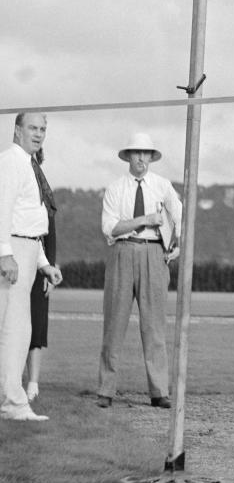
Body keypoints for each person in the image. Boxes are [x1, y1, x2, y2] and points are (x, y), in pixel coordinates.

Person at [96, 133, 182, 409]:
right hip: (122, 253)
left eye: (146, 153)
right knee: (114, 324)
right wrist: (144, 219)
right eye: (136, 153)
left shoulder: (163, 186)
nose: (141, 158)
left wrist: (177, 244)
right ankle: (106, 390)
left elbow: (180, 219)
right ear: (128, 156)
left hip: (154, 254)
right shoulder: (115, 188)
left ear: (151, 157)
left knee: (155, 326)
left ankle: (159, 392)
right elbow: (110, 228)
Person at [0, 112, 63, 421]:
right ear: (17, 130)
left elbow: (32, 220)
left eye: (43, 129)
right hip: (11, 248)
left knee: (19, 329)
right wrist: (4, 254)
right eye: (32, 128)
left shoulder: (30, 165)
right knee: (10, 329)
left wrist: (43, 263)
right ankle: (12, 402)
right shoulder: (11, 161)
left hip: (26, 247)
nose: (38, 134)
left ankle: (13, 401)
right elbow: (3, 208)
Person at [24, 147, 58, 402]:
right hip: (16, 260)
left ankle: (33, 383)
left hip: (40, 267)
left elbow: (51, 238)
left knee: (37, 326)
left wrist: (49, 270)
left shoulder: (47, 196)